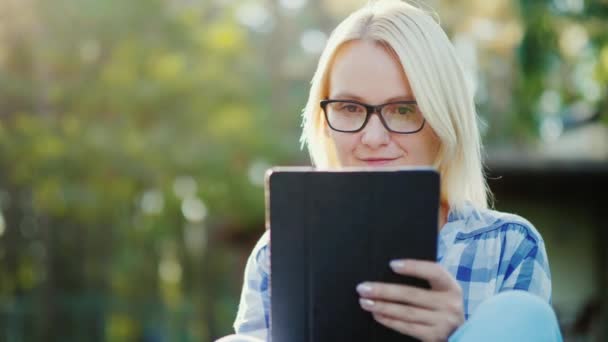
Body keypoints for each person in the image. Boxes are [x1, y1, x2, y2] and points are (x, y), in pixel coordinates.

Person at [226, 0, 563, 341]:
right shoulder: (278, 252)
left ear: (443, 120)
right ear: (323, 121)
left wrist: (457, 335)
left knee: (524, 314)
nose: (373, 138)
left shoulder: (508, 245)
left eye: (403, 110)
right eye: (349, 107)